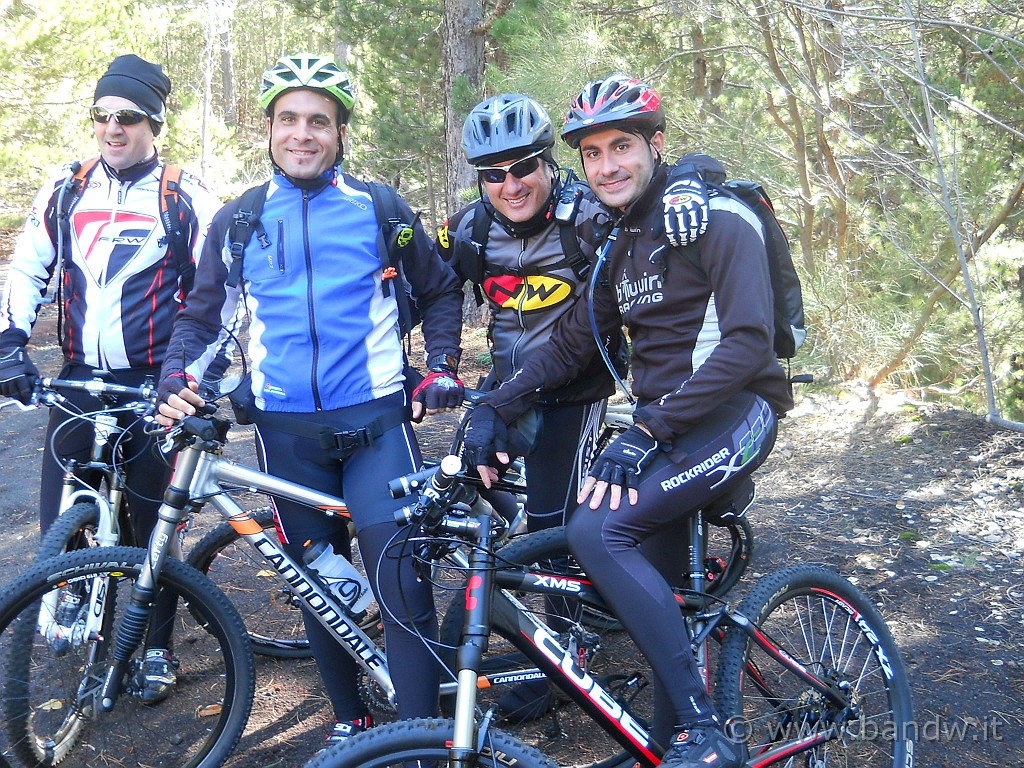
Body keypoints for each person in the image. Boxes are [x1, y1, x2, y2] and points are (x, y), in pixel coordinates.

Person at [463, 73, 794, 768]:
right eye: (593, 153)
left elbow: (749, 344)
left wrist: (645, 433)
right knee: (661, 608)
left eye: (623, 146)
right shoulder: (617, 244)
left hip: (738, 413)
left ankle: (706, 732)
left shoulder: (715, 218)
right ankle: (682, 739)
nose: (607, 165)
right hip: (671, 429)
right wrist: (496, 402)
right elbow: (575, 342)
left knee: (592, 527)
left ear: (656, 145)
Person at [153, 53, 464, 752]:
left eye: (318, 121)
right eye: (288, 119)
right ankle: (349, 722)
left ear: (340, 133)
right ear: (268, 129)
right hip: (287, 436)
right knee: (319, 585)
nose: (303, 133)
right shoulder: (238, 220)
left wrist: (438, 365)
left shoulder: (381, 209)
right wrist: (178, 380)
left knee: (399, 581)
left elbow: (441, 289)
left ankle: (418, 741)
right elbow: (205, 318)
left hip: (377, 424)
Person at [438, 92, 710, 722]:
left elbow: (651, 190)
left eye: (524, 166)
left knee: (551, 527)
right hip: (508, 390)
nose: (511, 184)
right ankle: (523, 595)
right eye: (493, 174)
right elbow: (441, 290)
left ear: (548, 163)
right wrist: (442, 366)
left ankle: (566, 661)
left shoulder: (590, 216)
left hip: (578, 390)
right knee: (459, 496)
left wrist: (695, 175)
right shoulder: (471, 229)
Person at [0, 53, 223, 702]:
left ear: (153, 122)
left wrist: (194, 382)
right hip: (77, 377)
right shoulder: (66, 188)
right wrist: (11, 344)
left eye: (127, 117)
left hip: (155, 382)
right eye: (100, 116)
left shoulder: (182, 195)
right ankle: (71, 599)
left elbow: (217, 293)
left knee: (153, 525)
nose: (112, 128)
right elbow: (26, 271)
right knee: (61, 513)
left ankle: (155, 644)